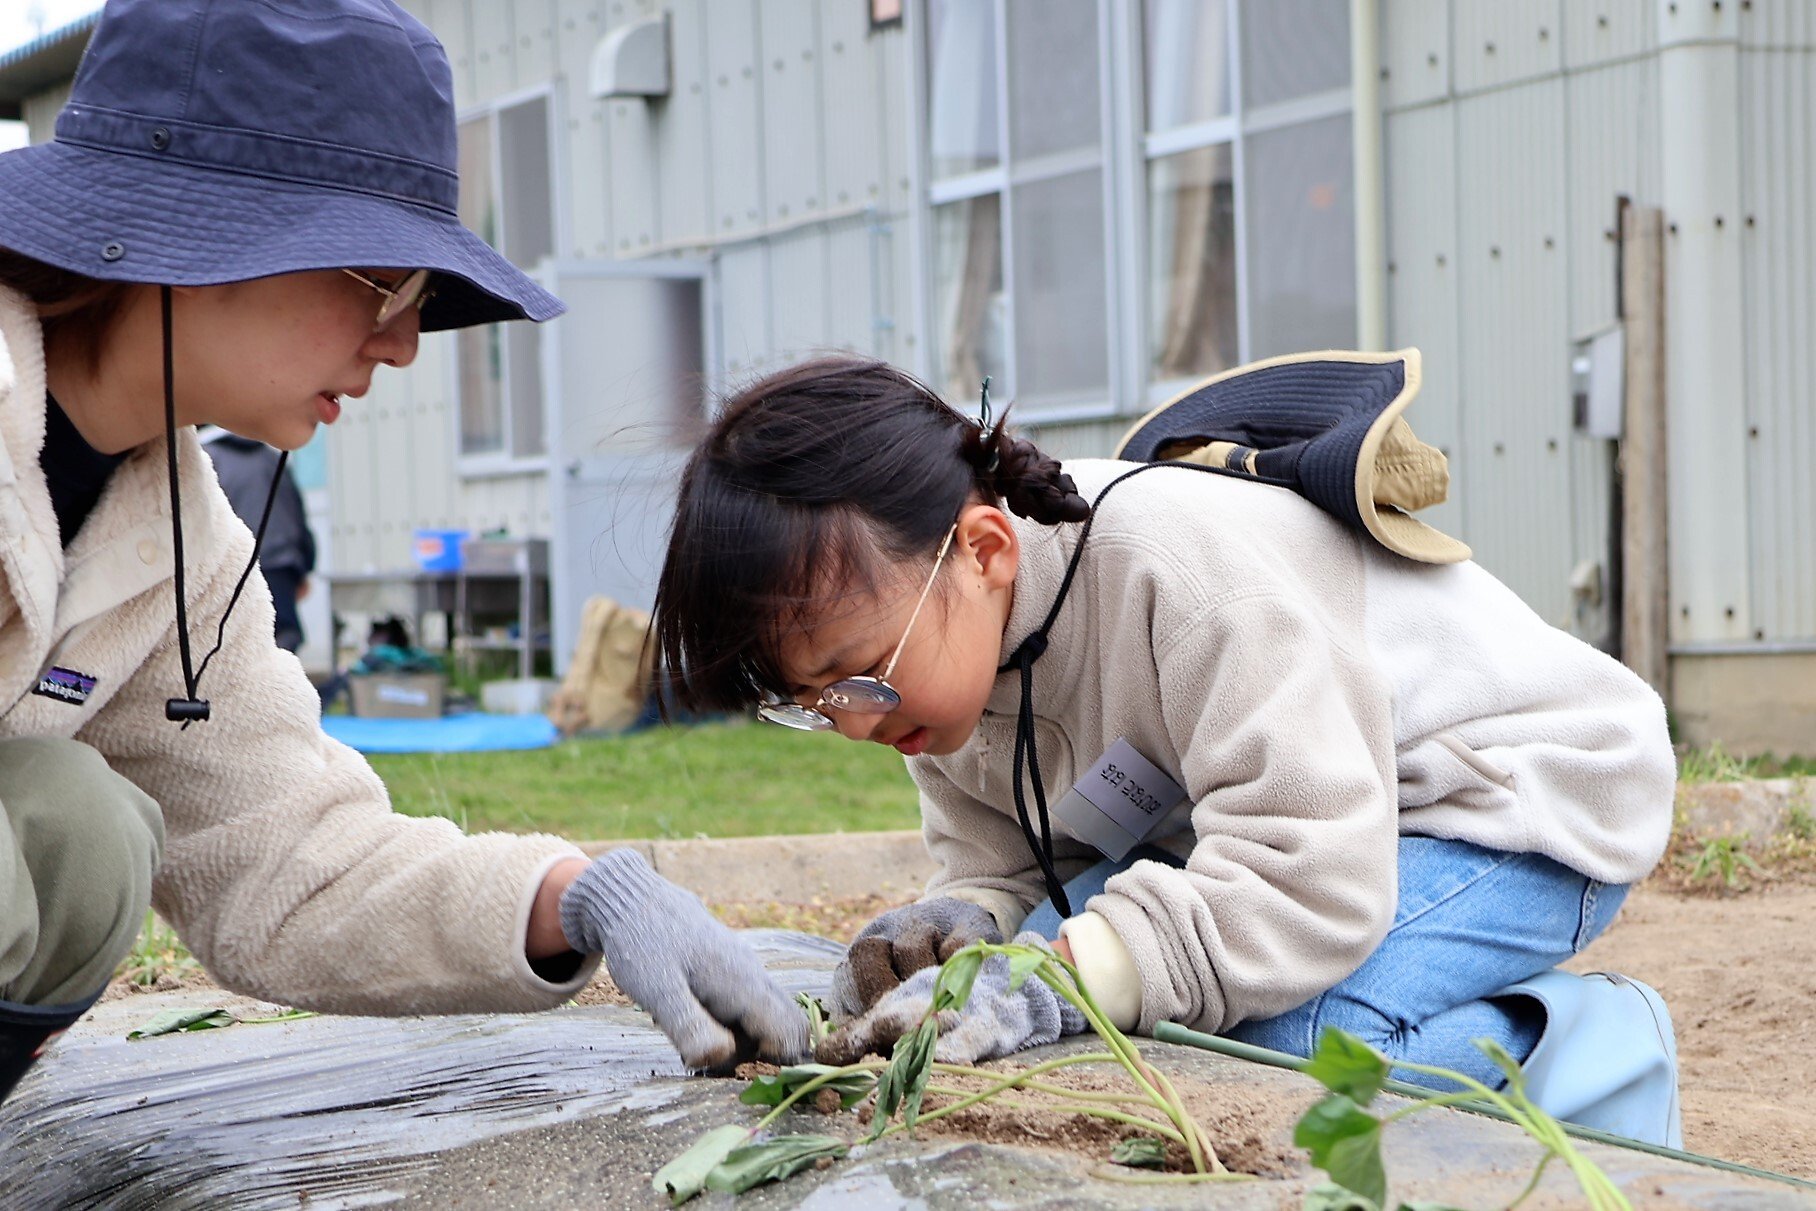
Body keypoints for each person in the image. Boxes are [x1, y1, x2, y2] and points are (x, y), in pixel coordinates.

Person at [0, 0, 804, 1106]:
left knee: (77, 833)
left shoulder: (174, 543)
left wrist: (575, 893)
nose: (404, 343)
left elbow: (285, 860)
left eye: (419, 299)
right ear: (203, 232)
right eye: (381, 280)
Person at [648, 353, 1685, 1146]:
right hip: (1299, 827)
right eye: (811, 703)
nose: (855, 722)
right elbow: (1008, 861)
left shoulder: (1181, 582)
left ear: (982, 548)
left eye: (858, 675)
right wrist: (965, 920)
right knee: (1051, 994)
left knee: (1259, 1052)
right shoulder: (937, 667)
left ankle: (1582, 1045)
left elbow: (1308, 871)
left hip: (1509, 809)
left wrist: (1072, 979)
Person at [202, 428, 315, 652]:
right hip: (281, 566)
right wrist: (304, 567)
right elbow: (297, 515)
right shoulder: (272, 459)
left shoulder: (208, 459)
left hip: (232, 569)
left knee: (234, 644)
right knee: (282, 640)